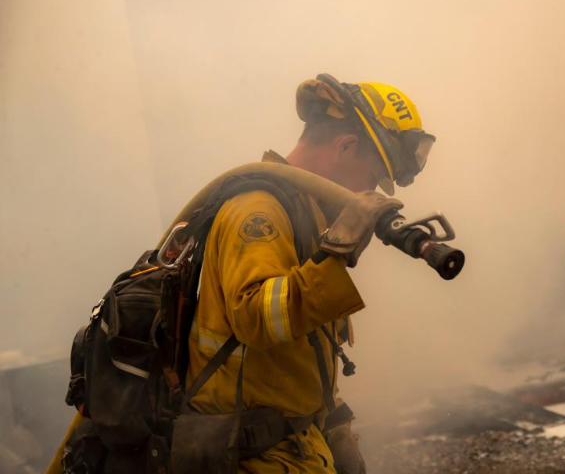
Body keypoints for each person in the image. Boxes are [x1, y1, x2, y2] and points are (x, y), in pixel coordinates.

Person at [47, 73, 435, 474]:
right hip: (250, 458)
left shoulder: (304, 214)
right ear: (347, 145)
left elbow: (300, 355)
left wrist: (333, 428)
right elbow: (257, 317)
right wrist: (336, 257)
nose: (370, 191)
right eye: (374, 177)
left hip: (289, 448)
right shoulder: (259, 211)